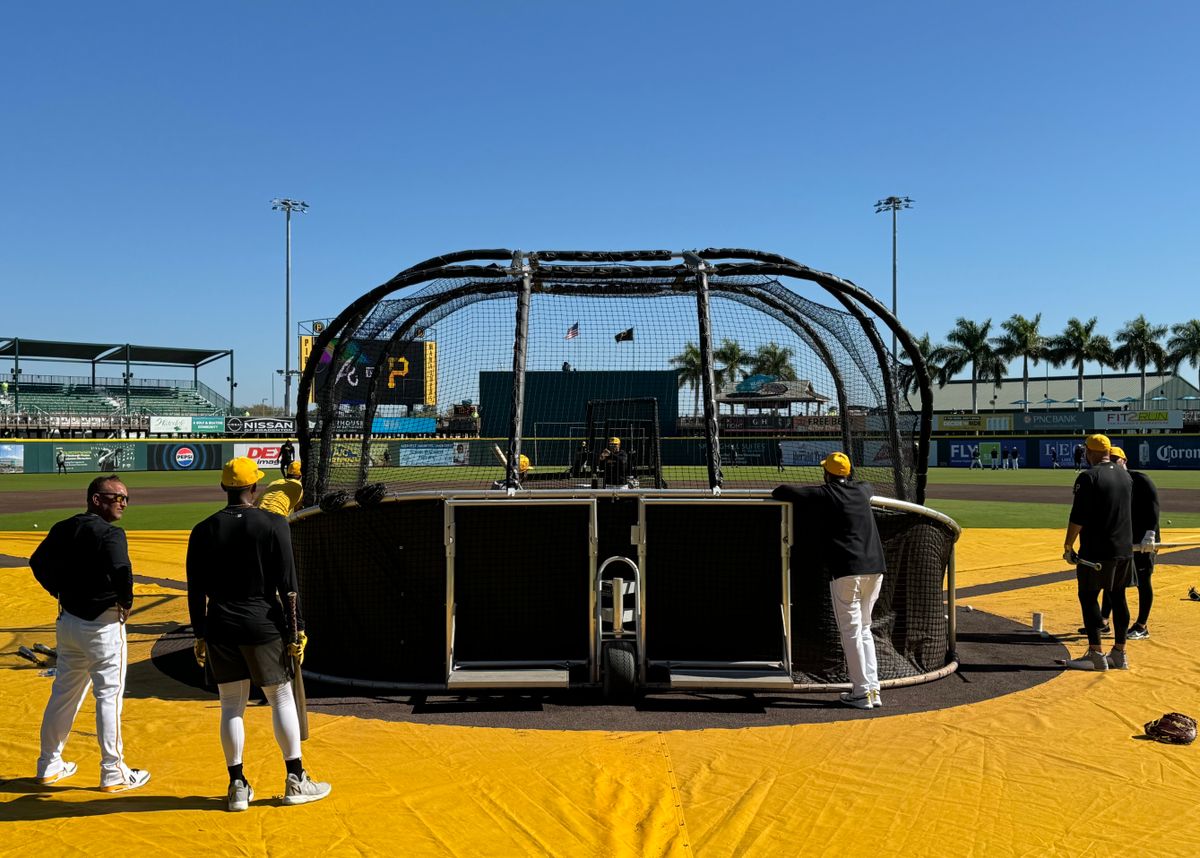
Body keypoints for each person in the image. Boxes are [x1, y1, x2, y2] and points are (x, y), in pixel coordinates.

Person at [187, 457, 331, 812]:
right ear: (254, 488)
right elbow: (289, 586)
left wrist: (200, 634)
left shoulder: (202, 529)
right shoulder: (272, 523)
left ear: (224, 488)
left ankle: (237, 786)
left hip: (220, 623)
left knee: (230, 706)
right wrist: (297, 630)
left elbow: (195, 590)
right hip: (263, 622)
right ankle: (295, 779)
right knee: (280, 699)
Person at [30, 474, 151, 792]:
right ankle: (113, 771)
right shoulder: (111, 534)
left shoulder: (64, 527)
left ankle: (48, 764)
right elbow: (122, 570)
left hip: (69, 623)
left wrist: (58, 590)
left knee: (63, 695)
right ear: (96, 499)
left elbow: (37, 562)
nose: (123, 503)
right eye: (116, 497)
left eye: (126, 498)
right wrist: (126, 601)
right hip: (104, 625)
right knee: (108, 698)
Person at [773, 452, 886, 709]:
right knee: (865, 629)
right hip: (876, 569)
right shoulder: (862, 490)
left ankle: (861, 692)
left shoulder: (825, 494)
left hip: (848, 570)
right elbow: (868, 486)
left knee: (852, 632)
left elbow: (782, 490)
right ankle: (873, 690)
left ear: (827, 474)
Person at [1062, 434, 1133, 671]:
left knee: (1089, 596)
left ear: (1090, 452)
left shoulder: (1089, 476)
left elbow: (1078, 516)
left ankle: (1095, 653)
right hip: (1123, 549)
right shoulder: (1125, 474)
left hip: (1096, 551)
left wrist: (1068, 545)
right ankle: (1120, 653)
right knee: (1118, 596)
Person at [1096, 446, 1159, 640]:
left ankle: (1141, 625)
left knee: (1143, 580)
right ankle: (1104, 621)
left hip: (1144, 540)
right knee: (1112, 580)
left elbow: (1154, 507)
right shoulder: (1111, 483)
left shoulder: (1141, 479)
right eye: (1111, 459)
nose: (1114, 462)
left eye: (1117, 459)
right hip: (1123, 539)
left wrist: (1150, 534)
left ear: (1124, 461)